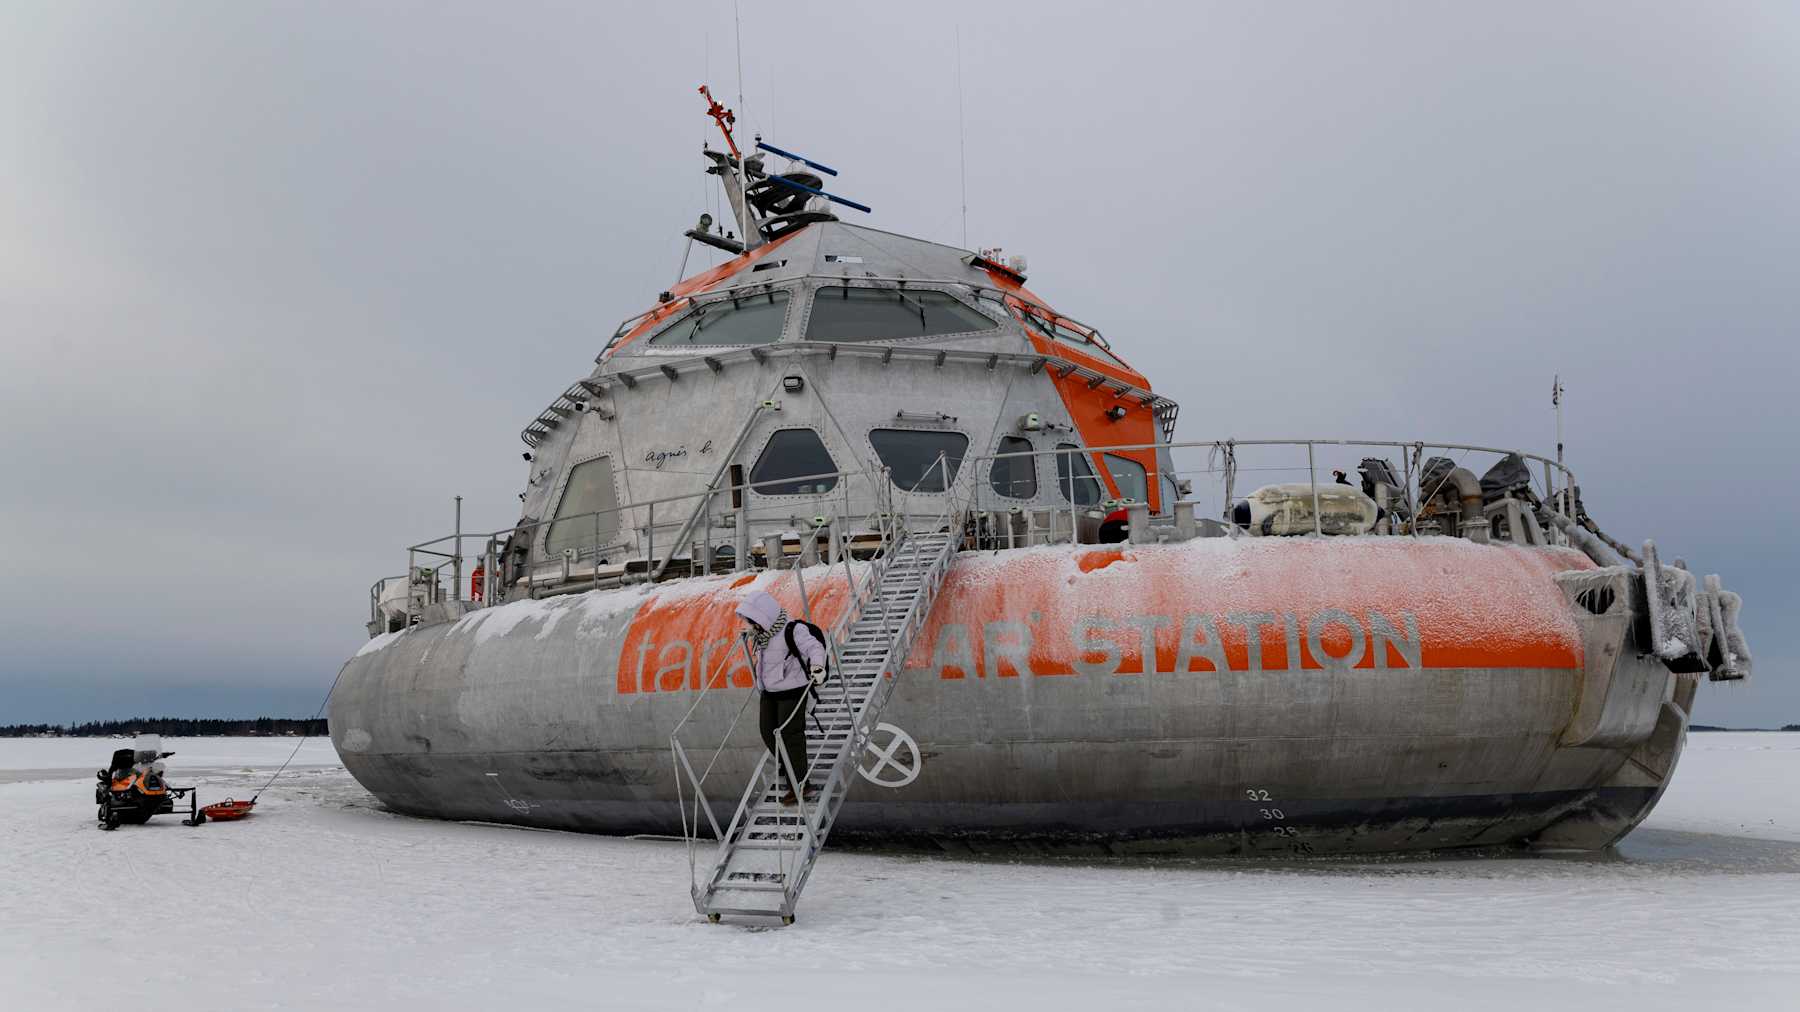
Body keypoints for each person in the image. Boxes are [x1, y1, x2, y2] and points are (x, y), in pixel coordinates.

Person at [736, 590, 828, 806]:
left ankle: (801, 785)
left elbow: (815, 647)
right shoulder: (761, 636)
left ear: (764, 616)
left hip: (793, 690)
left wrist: (817, 666)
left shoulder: (793, 629)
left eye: (752, 620)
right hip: (769, 692)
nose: (750, 624)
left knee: (790, 734)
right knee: (767, 732)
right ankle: (789, 766)